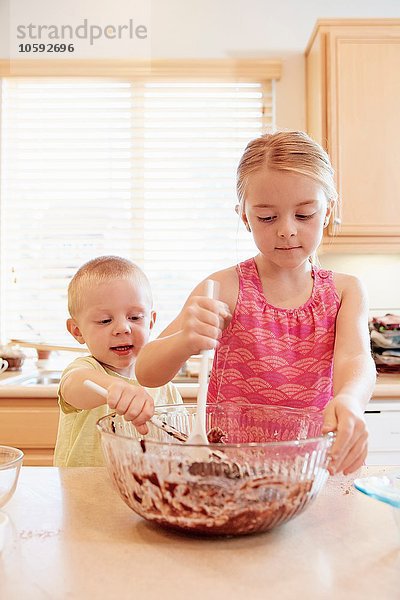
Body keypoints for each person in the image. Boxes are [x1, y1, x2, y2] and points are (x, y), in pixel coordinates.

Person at [135, 130, 376, 476]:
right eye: (267, 217)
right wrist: (186, 339)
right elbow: (146, 370)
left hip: (317, 468)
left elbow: (356, 358)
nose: (286, 230)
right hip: (231, 471)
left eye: (304, 214)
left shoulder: (345, 291)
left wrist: (350, 399)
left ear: (327, 213)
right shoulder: (223, 287)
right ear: (245, 216)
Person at [54, 256, 182, 467]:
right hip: (84, 495)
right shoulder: (85, 369)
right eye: (105, 320)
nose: (123, 328)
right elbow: (74, 386)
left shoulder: (164, 384)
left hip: (144, 494)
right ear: (77, 331)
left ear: (151, 322)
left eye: (135, 317)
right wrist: (115, 387)